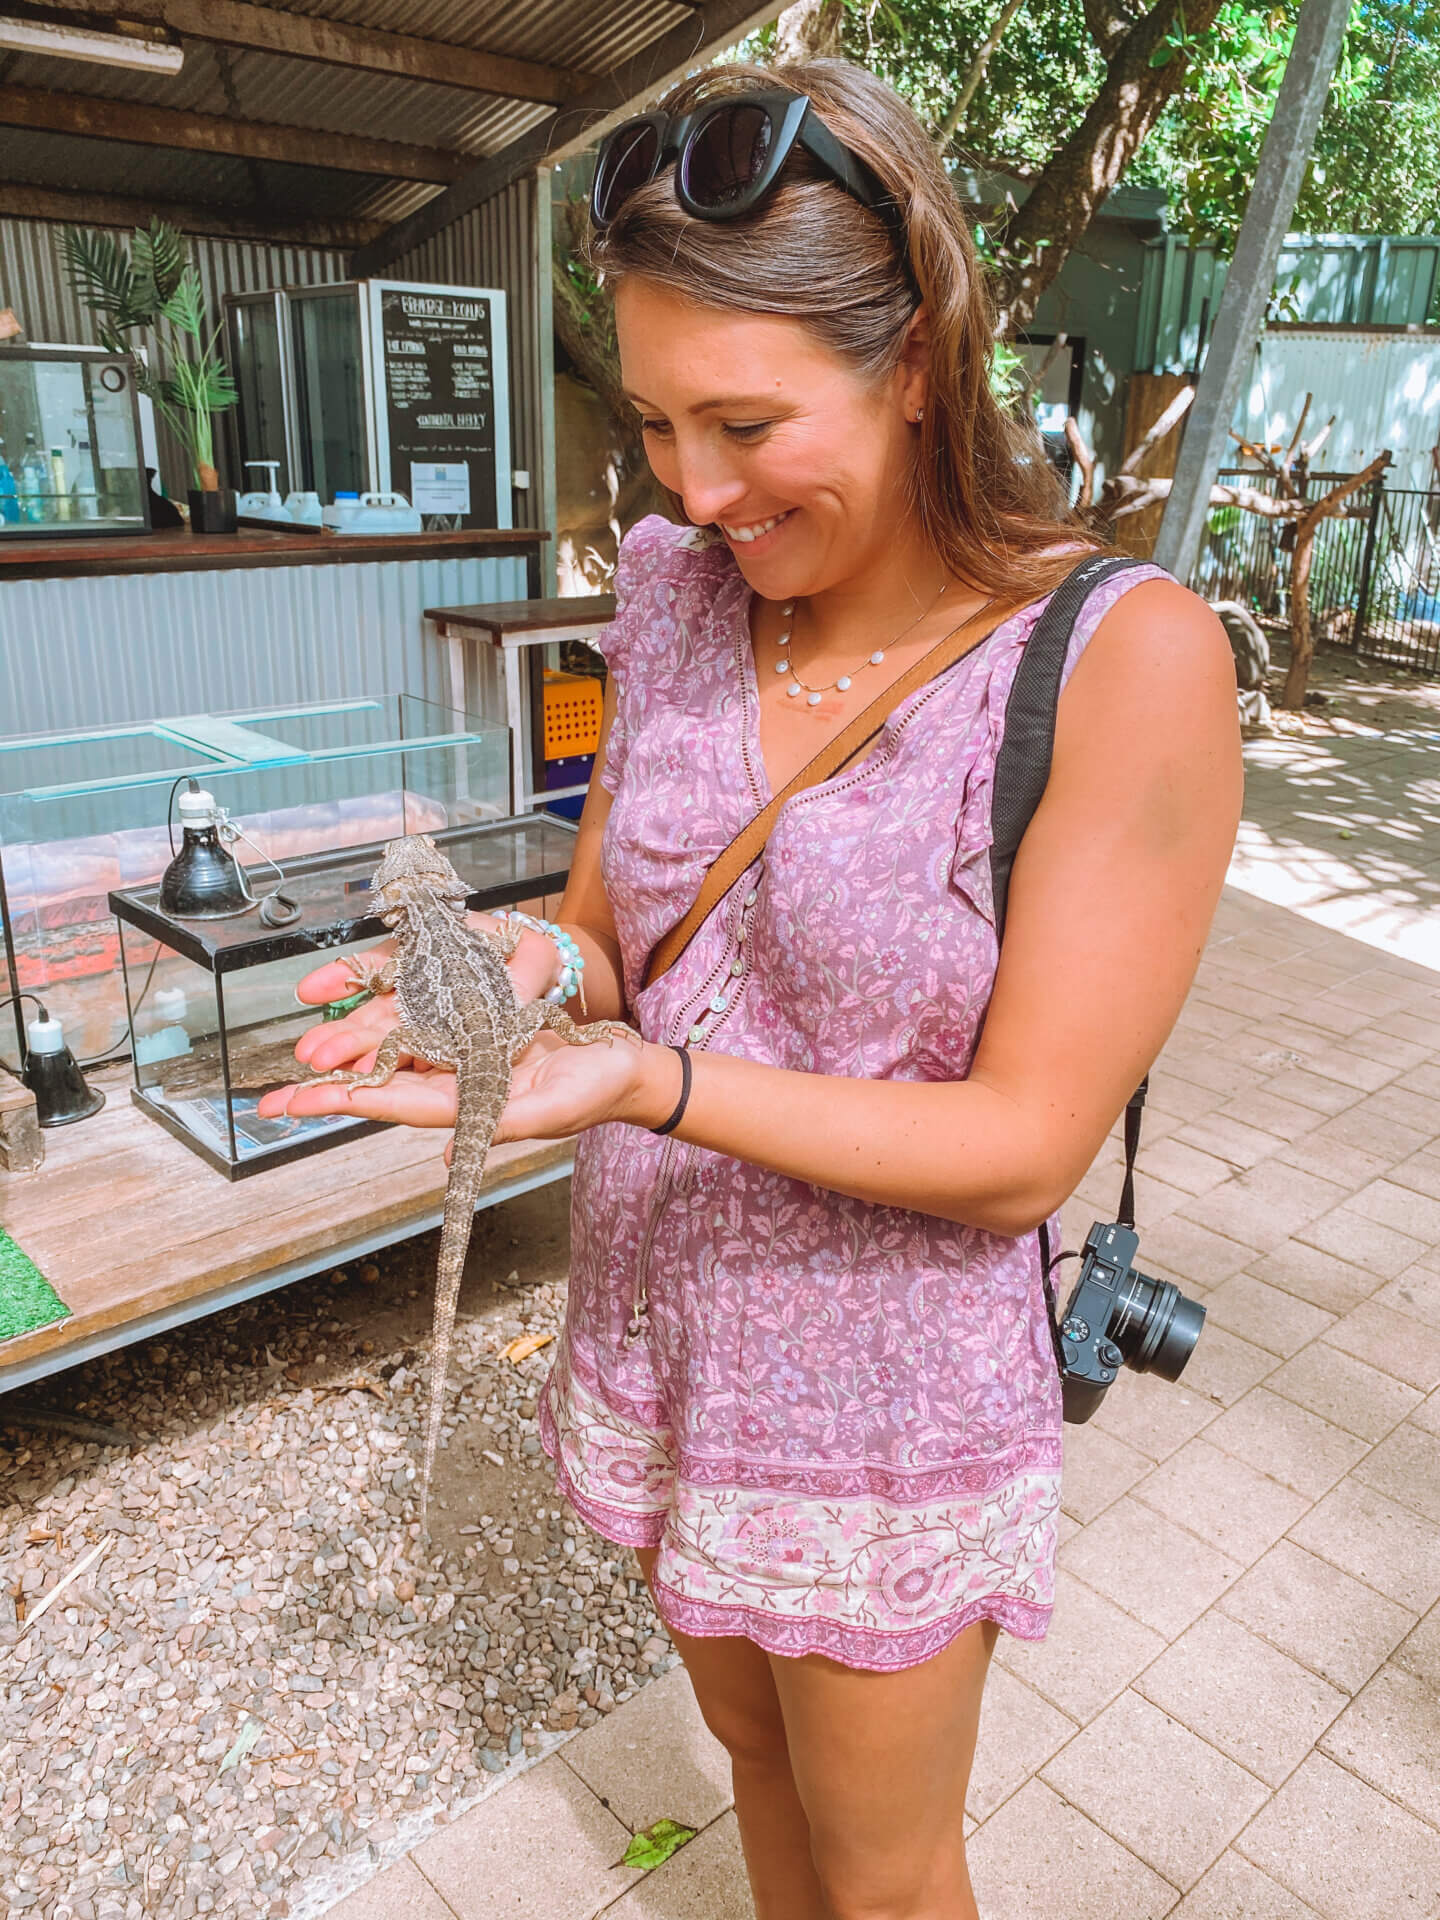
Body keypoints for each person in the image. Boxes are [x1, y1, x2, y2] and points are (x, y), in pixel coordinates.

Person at [261, 57, 1242, 1920]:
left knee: (886, 1877)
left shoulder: (1120, 662)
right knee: (756, 1782)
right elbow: (618, 925)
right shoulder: (676, 587)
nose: (694, 491)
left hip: (878, 1402)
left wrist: (644, 1085)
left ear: (927, 360)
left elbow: (1028, 1145)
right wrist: (517, 969)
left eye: (745, 423)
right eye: (652, 424)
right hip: (663, 1321)